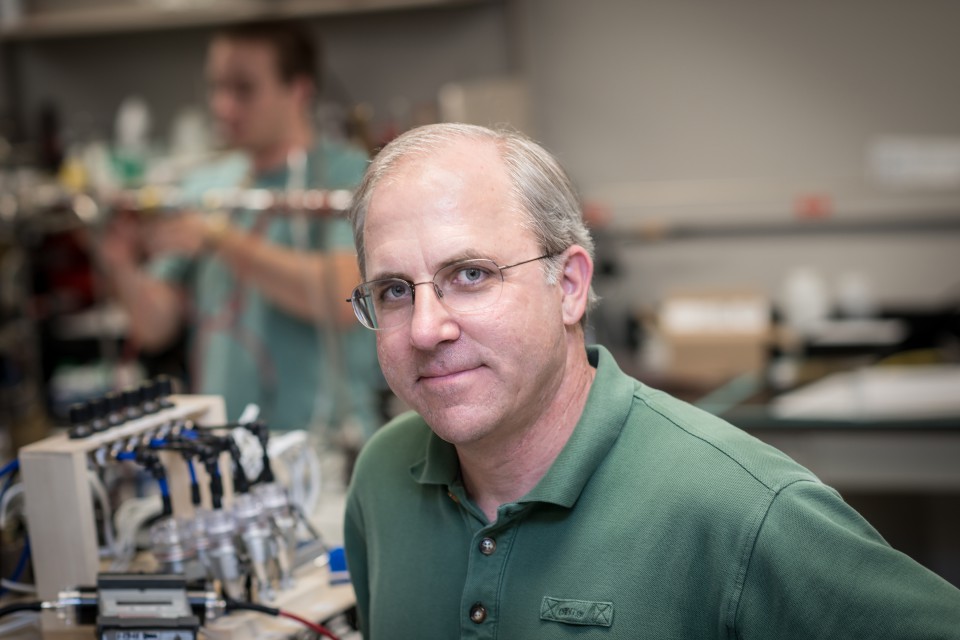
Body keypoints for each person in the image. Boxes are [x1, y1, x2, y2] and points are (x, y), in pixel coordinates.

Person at [342, 123, 960, 639]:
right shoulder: (382, 479)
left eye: (471, 275)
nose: (425, 329)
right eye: (394, 290)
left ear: (569, 286)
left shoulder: (741, 510)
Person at [99, 22, 381, 435]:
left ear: (299, 90)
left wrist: (221, 240)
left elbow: (345, 297)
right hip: (225, 443)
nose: (222, 107)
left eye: (243, 89)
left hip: (325, 443)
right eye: (216, 88)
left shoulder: (347, 175)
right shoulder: (204, 186)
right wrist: (119, 263)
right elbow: (155, 327)